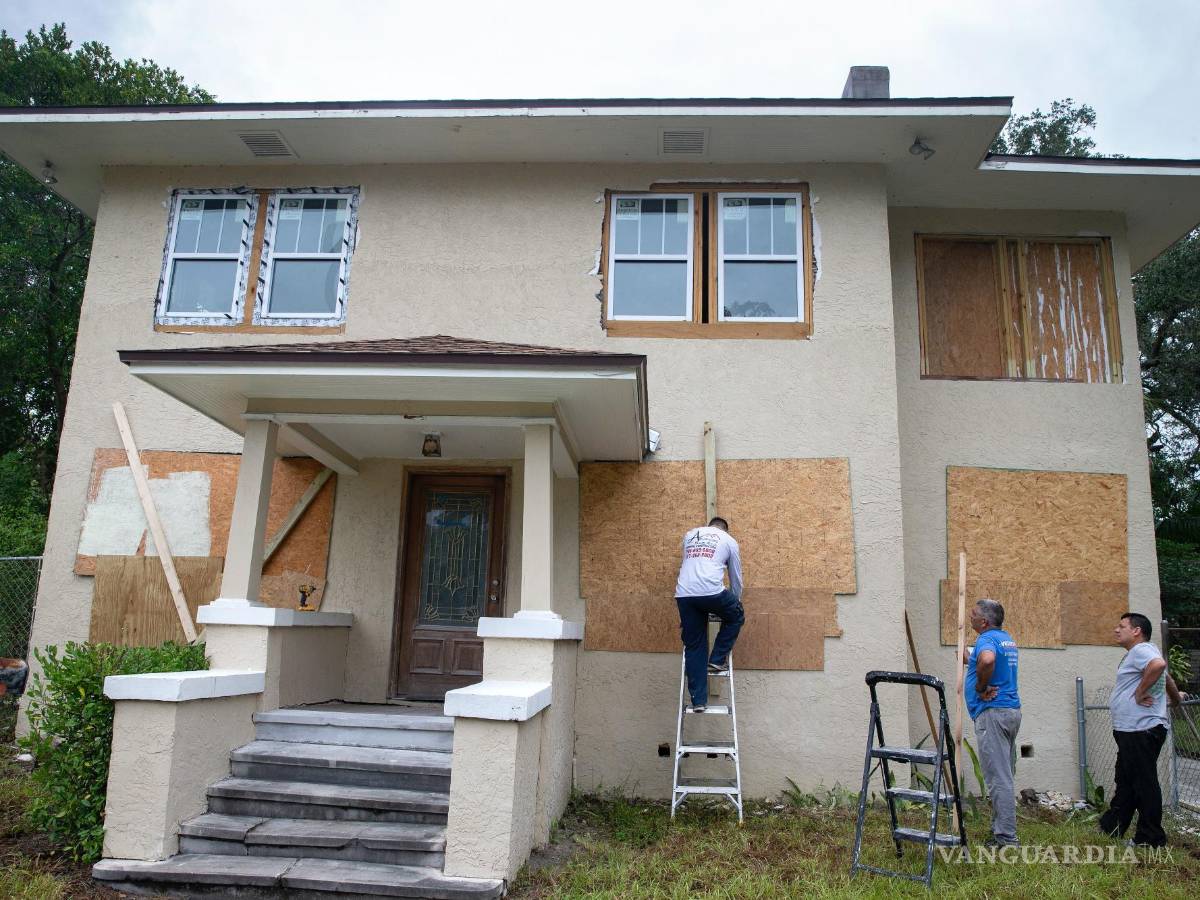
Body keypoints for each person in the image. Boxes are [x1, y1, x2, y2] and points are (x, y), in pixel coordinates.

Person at [1100, 612, 1188, 848]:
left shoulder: (1142, 650)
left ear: (1136, 631)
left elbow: (1159, 666)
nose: (1116, 630)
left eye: (1122, 626)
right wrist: (1175, 699)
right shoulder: (1144, 652)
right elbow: (1165, 674)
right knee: (1127, 780)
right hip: (1134, 730)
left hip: (1140, 729)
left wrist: (1139, 692)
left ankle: (1150, 838)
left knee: (1143, 784)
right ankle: (1111, 827)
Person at [963, 598, 1021, 847]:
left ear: (984, 621)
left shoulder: (986, 640)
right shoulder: (1004, 638)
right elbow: (981, 659)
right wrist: (969, 658)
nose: (970, 617)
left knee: (998, 778)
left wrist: (980, 687)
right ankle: (1001, 829)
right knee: (1003, 774)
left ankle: (1006, 839)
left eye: (974, 614)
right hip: (1009, 712)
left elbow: (987, 661)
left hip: (993, 713)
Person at [675, 516, 743, 712]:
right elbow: (735, 577)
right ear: (725, 530)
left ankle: (698, 701)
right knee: (736, 616)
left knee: (695, 644)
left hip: (684, 594)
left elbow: (691, 564)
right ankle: (716, 660)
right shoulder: (729, 541)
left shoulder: (690, 536)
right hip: (712, 592)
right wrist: (735, 601)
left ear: (709, 527)